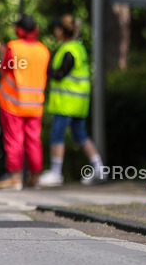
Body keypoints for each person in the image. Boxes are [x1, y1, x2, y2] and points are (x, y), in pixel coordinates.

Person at [39, 15, 106, 186]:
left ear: (62, 31)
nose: (55, 31)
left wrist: (47, 67)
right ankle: (98, 167)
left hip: (67, 102)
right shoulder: (79, 48)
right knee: (79, 134)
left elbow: (60, 74)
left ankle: (55, 173)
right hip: (79, 102)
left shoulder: (68, 50)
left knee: (57, 134)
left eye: (57, 28)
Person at [0, 14, 51, 190]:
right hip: (35, 104)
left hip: (13, 103)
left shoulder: (13, 47)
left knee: (14, 140)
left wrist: (2, 52)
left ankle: (15, 178)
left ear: (19, 30)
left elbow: (4, 69)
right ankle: (35, 177)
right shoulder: (44, 50)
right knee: (34, 140)